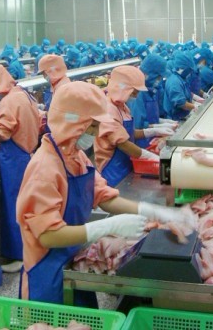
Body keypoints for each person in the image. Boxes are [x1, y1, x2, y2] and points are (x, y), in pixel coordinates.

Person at [16, 81, 195, 303]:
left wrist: (151, 211)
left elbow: (102, 196)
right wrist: (107, 226)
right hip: (46, 272)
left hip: (73, 259)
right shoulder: (44, 169)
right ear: (72, 123)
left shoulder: (75, 155)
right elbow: (47, 235)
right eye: (92, 126)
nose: (97, 133)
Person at [0, 65, 41, 273]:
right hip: (27, 152)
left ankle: (19, 255)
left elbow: (4, 134)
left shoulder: (8, 101)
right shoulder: (24, 94)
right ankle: (29, 249)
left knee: (14, 205)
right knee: (25, 205)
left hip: (15, 159)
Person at [95, 65, 173, 187]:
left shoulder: (121, 106)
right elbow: (123, 143)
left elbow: (129, 133)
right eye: (134, 92)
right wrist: (150, 156)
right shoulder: (108, 110)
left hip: (126, 161)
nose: (136, 96)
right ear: (123, 88)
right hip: (112, 169)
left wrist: (153, 131)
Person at [163, 51, 201, 121]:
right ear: (183, 68)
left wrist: (196, 99)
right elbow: (181, 103)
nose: (190, 73)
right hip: (176, 119)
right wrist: (195, 106)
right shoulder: (174, 82)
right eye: (189, 70)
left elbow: (185, 93)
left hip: (183, 115)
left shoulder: (181, 78)